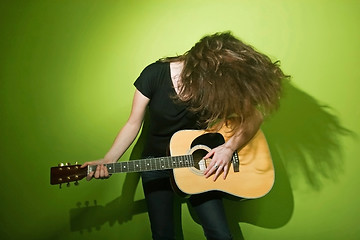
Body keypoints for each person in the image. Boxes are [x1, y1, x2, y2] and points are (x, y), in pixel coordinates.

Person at [81, 31, 287, 239]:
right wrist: (109, 159)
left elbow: (255, 116)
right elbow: (133, 124)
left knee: (221, 234)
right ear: (201, 68)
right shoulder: (154, 75)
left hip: (199, 163)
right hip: (156, 164)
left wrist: (228, 148)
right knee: (163, 236)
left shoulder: (214, 84)